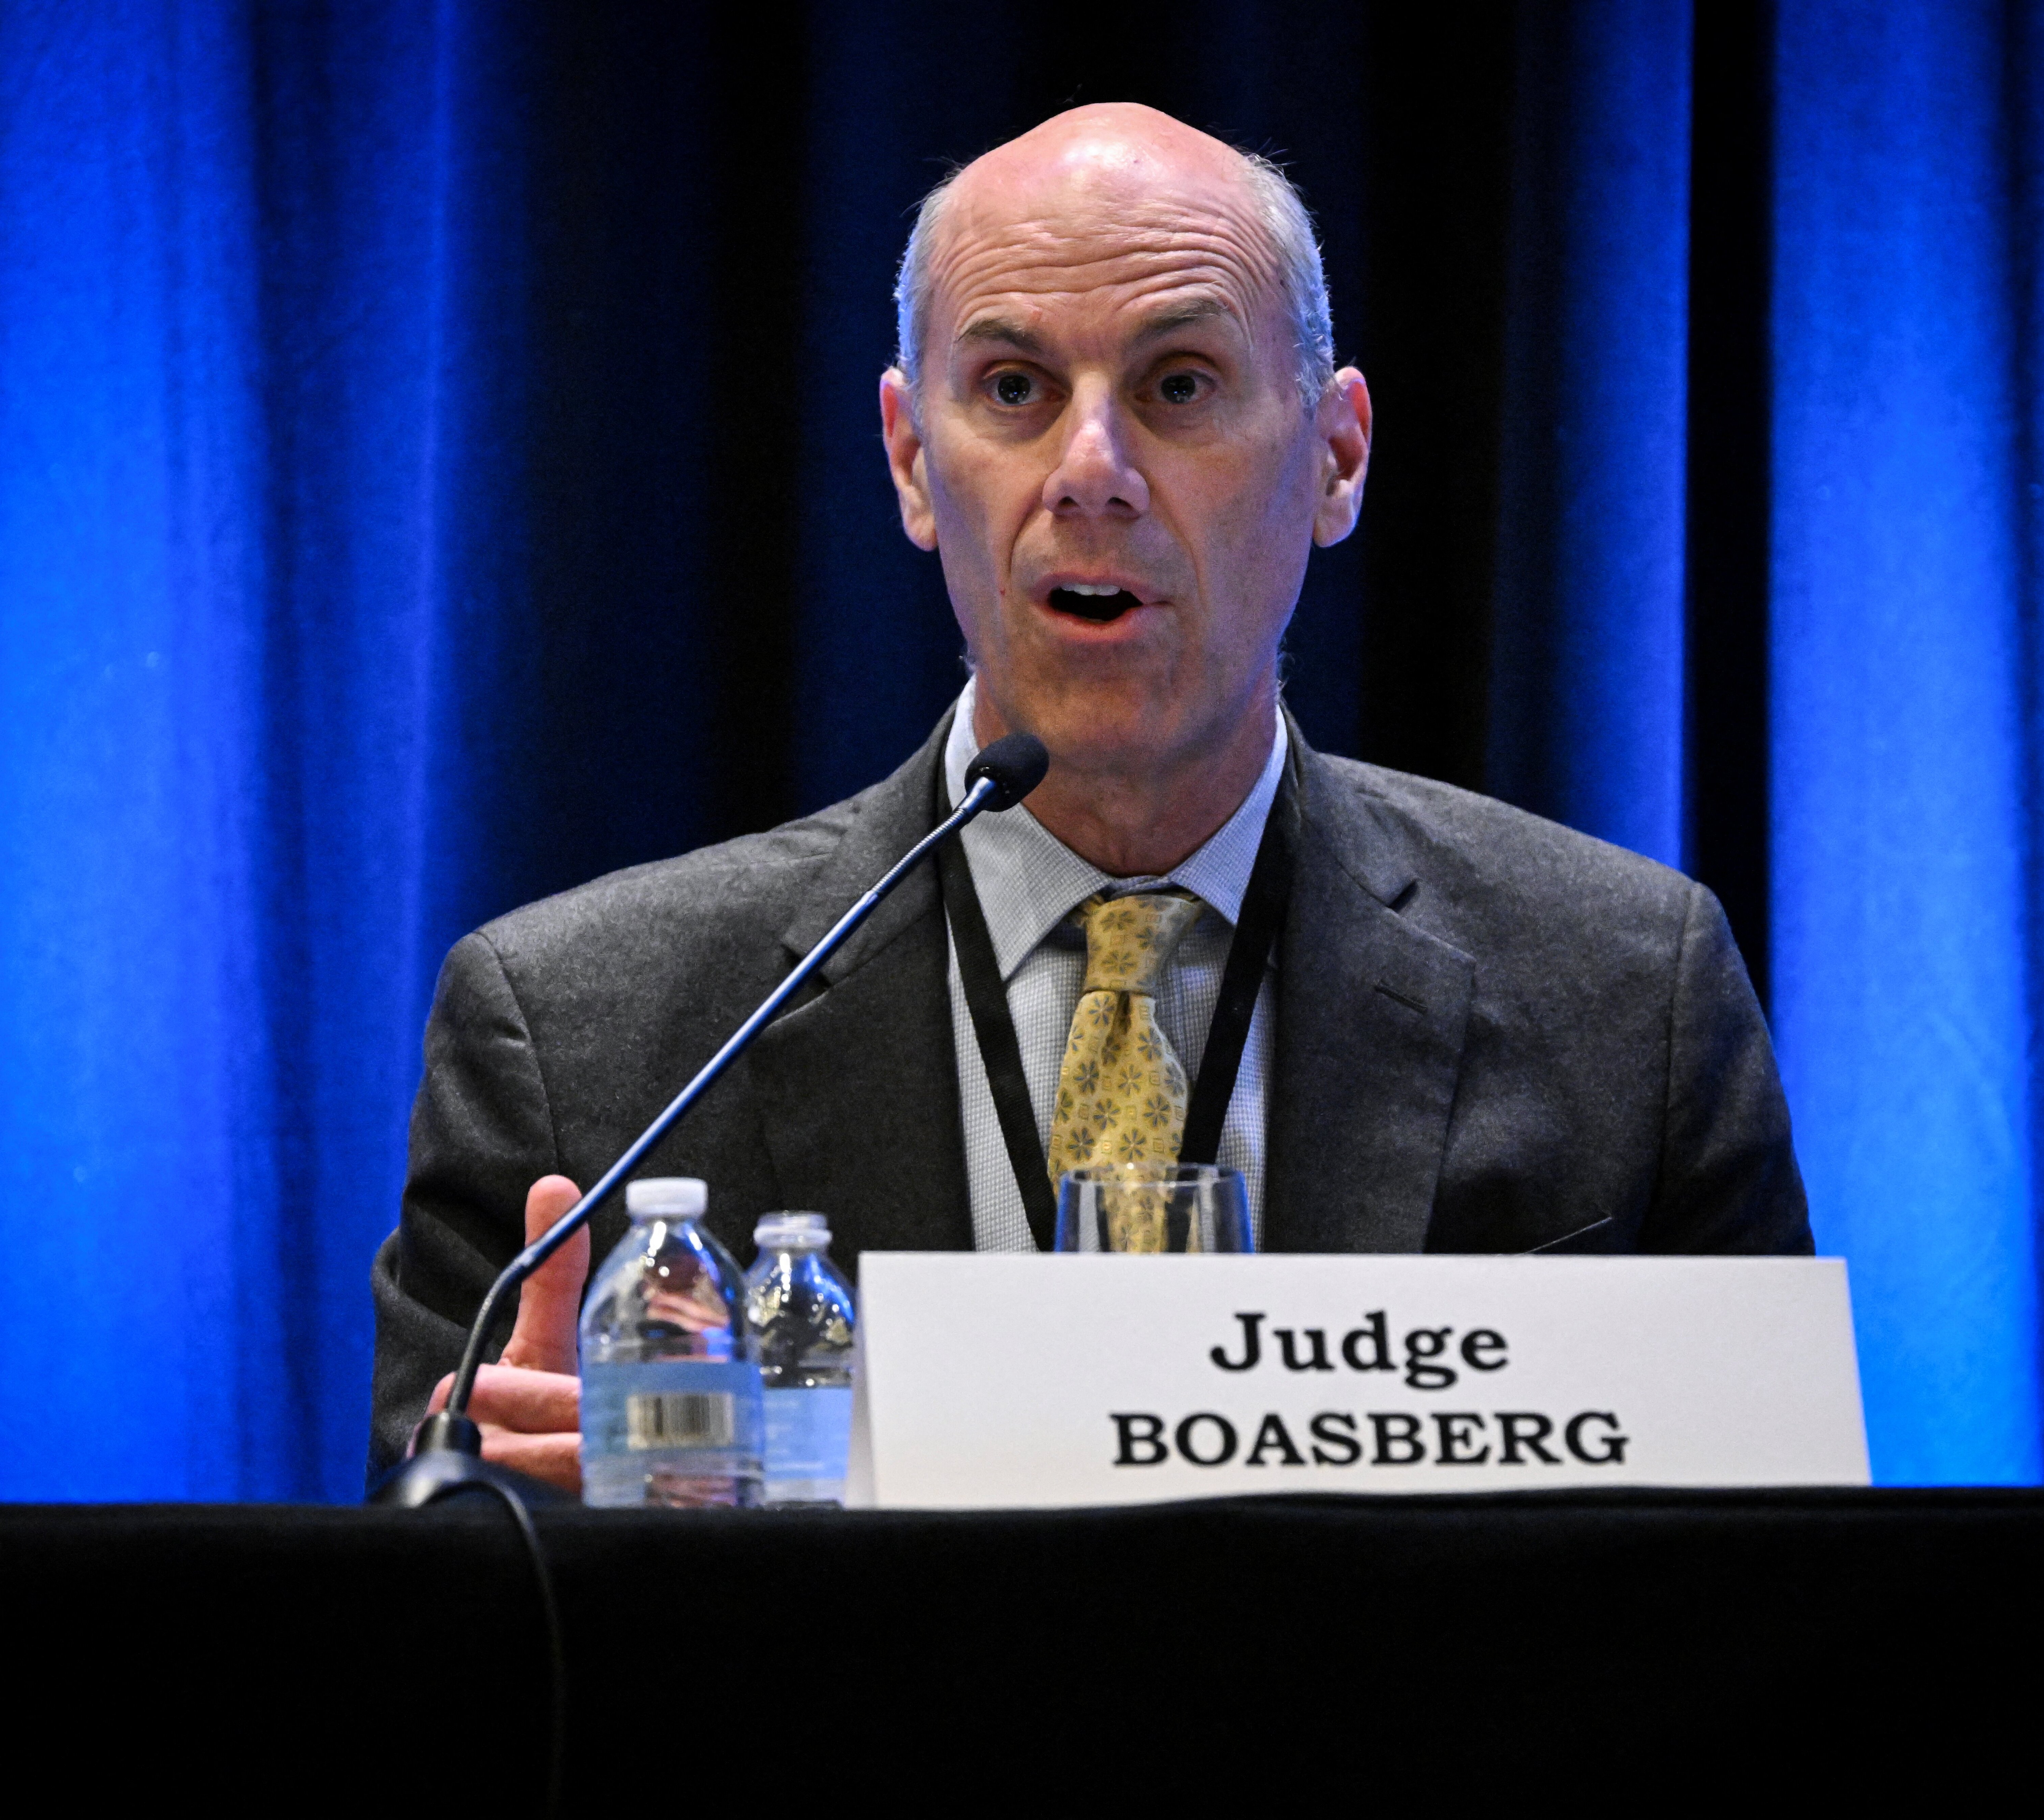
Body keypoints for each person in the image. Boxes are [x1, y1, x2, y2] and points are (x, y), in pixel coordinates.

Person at [369, 103, 1809, 1490]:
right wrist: (533, 1540)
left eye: (1180, 385)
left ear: (1337, 455)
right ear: (911, 460)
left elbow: (1781, 1589)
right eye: (1014, 390)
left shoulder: (1630, 996)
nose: (1092, 473)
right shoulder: (582, 1045)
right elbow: (432, 1613)